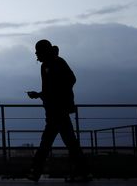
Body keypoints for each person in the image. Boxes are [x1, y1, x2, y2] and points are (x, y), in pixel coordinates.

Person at [25, 39, 90, 182]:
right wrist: (41, 95)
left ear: (44, 51)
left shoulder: (56, 63)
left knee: (47, 143)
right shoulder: (48, 65)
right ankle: (83, 172)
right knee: (68, 142)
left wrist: (50, 95)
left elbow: (70, 80)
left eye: (38, 52)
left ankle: (35, 172)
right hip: (56, 110)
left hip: (57, 110)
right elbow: (54, 87)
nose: (37, 56)